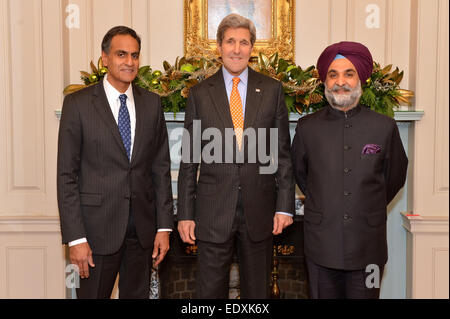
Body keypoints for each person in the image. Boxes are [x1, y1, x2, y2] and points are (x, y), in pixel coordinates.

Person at [177, 14, 295, 299]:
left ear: (252, 48)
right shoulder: (199, 94)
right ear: (219, 47)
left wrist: (284, 207)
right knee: (209, 292)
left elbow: (282, 154)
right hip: (212, 213)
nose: (237, 49)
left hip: (259, 211)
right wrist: (185, 214)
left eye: (244, 42)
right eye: (230, 41)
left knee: (258, 293)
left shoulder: (271, 90)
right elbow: (189, 160)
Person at [57, 26, 173, 299]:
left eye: (134, 55)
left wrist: (163, 227)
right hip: (95, 234)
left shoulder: (152, 104)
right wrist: (76, 238)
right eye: (121, 54)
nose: (129, 62)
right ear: (105, 58)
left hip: (142, 234)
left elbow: (161, 169)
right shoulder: (78, 105)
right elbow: (66, 176)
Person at [291, 41, 408, 299]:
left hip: (369, 247)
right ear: (325, 81)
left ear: (361, 79)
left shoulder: (384, 127)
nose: (340, 81)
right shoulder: (306, 127)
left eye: (348, 73)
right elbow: (301, 174)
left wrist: (366, 204)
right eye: (333, 74)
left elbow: (395, 176)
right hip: (321, 246)